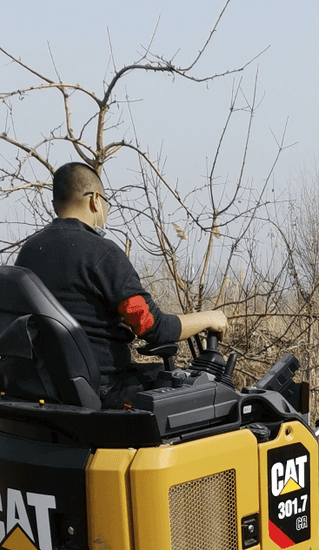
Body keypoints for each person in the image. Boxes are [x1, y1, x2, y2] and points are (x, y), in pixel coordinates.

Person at [15, 161, 227, 403]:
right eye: (106, 202)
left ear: (55, 205)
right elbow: (152, 327)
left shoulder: (28, 252)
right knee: (197, 391)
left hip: (46, 387)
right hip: (103, 388)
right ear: (95, 200)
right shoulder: (103, 253)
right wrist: (210, 318)